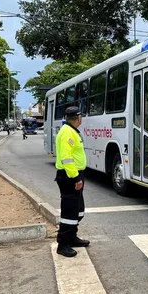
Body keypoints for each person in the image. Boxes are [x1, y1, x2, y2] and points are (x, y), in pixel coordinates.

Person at [55, 106, 90, 257]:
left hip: (74, 174)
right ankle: (63, 244)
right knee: (69, 211)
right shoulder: (67, 133)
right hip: (69, 177)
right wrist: (75, 177)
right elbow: (66, 158)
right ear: (78, 118)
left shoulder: (71, 130)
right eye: (81, 116)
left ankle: (72, 237)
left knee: (77, 209)